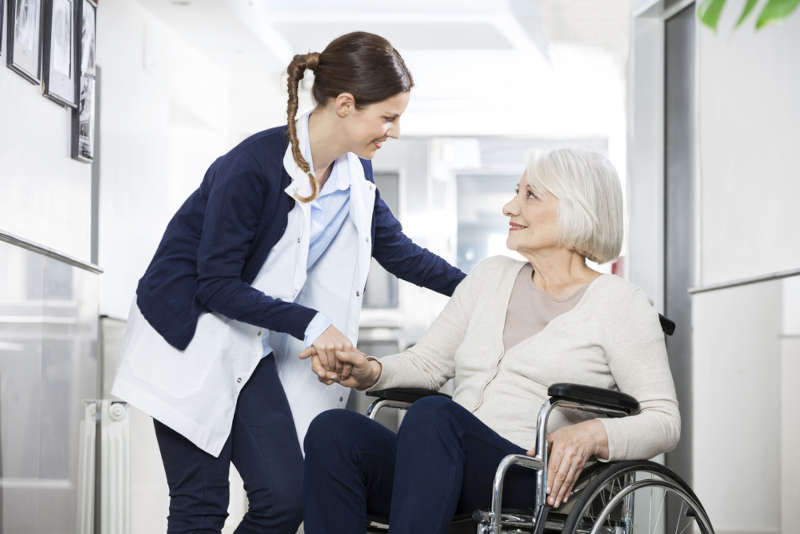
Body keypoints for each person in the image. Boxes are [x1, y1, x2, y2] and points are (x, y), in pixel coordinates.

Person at [111, 31, 465, 534]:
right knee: (201, 505)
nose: (396, 131)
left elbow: (401, 254)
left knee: (286, 497)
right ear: (346, 104)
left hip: (243, 342)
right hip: (185, 337)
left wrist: (484, 290)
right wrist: (313, 324)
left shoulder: (354, 175)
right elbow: (214, 284)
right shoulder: (253, 166)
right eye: (388, 116)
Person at [300, 148, 681, 534]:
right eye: (517, 192)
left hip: (526, 475)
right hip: (436, 462)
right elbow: (427, 364)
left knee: (434, 415)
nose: (509, 207)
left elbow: (664, 421)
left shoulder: (620, 303)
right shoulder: (490, 277)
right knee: (335, 431)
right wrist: (370, 371)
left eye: (529, 195)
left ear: (576, 208)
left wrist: (594, 433)